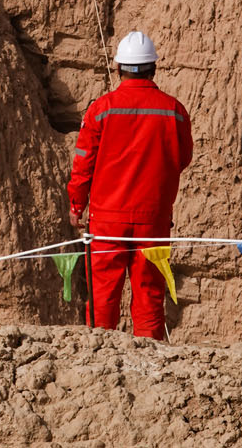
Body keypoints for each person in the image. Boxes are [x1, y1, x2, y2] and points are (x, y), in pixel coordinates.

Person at [67, 31, 192, 340]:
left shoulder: (102, 109)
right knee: (150, 292)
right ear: (154, 68)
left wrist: (76, 204)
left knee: (102, 294)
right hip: (153, 219)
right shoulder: (173, 110)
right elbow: (182, 159)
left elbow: (83, 162)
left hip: (107, 219)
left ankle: (99, 359)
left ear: (119, 67)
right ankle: (151, 363)